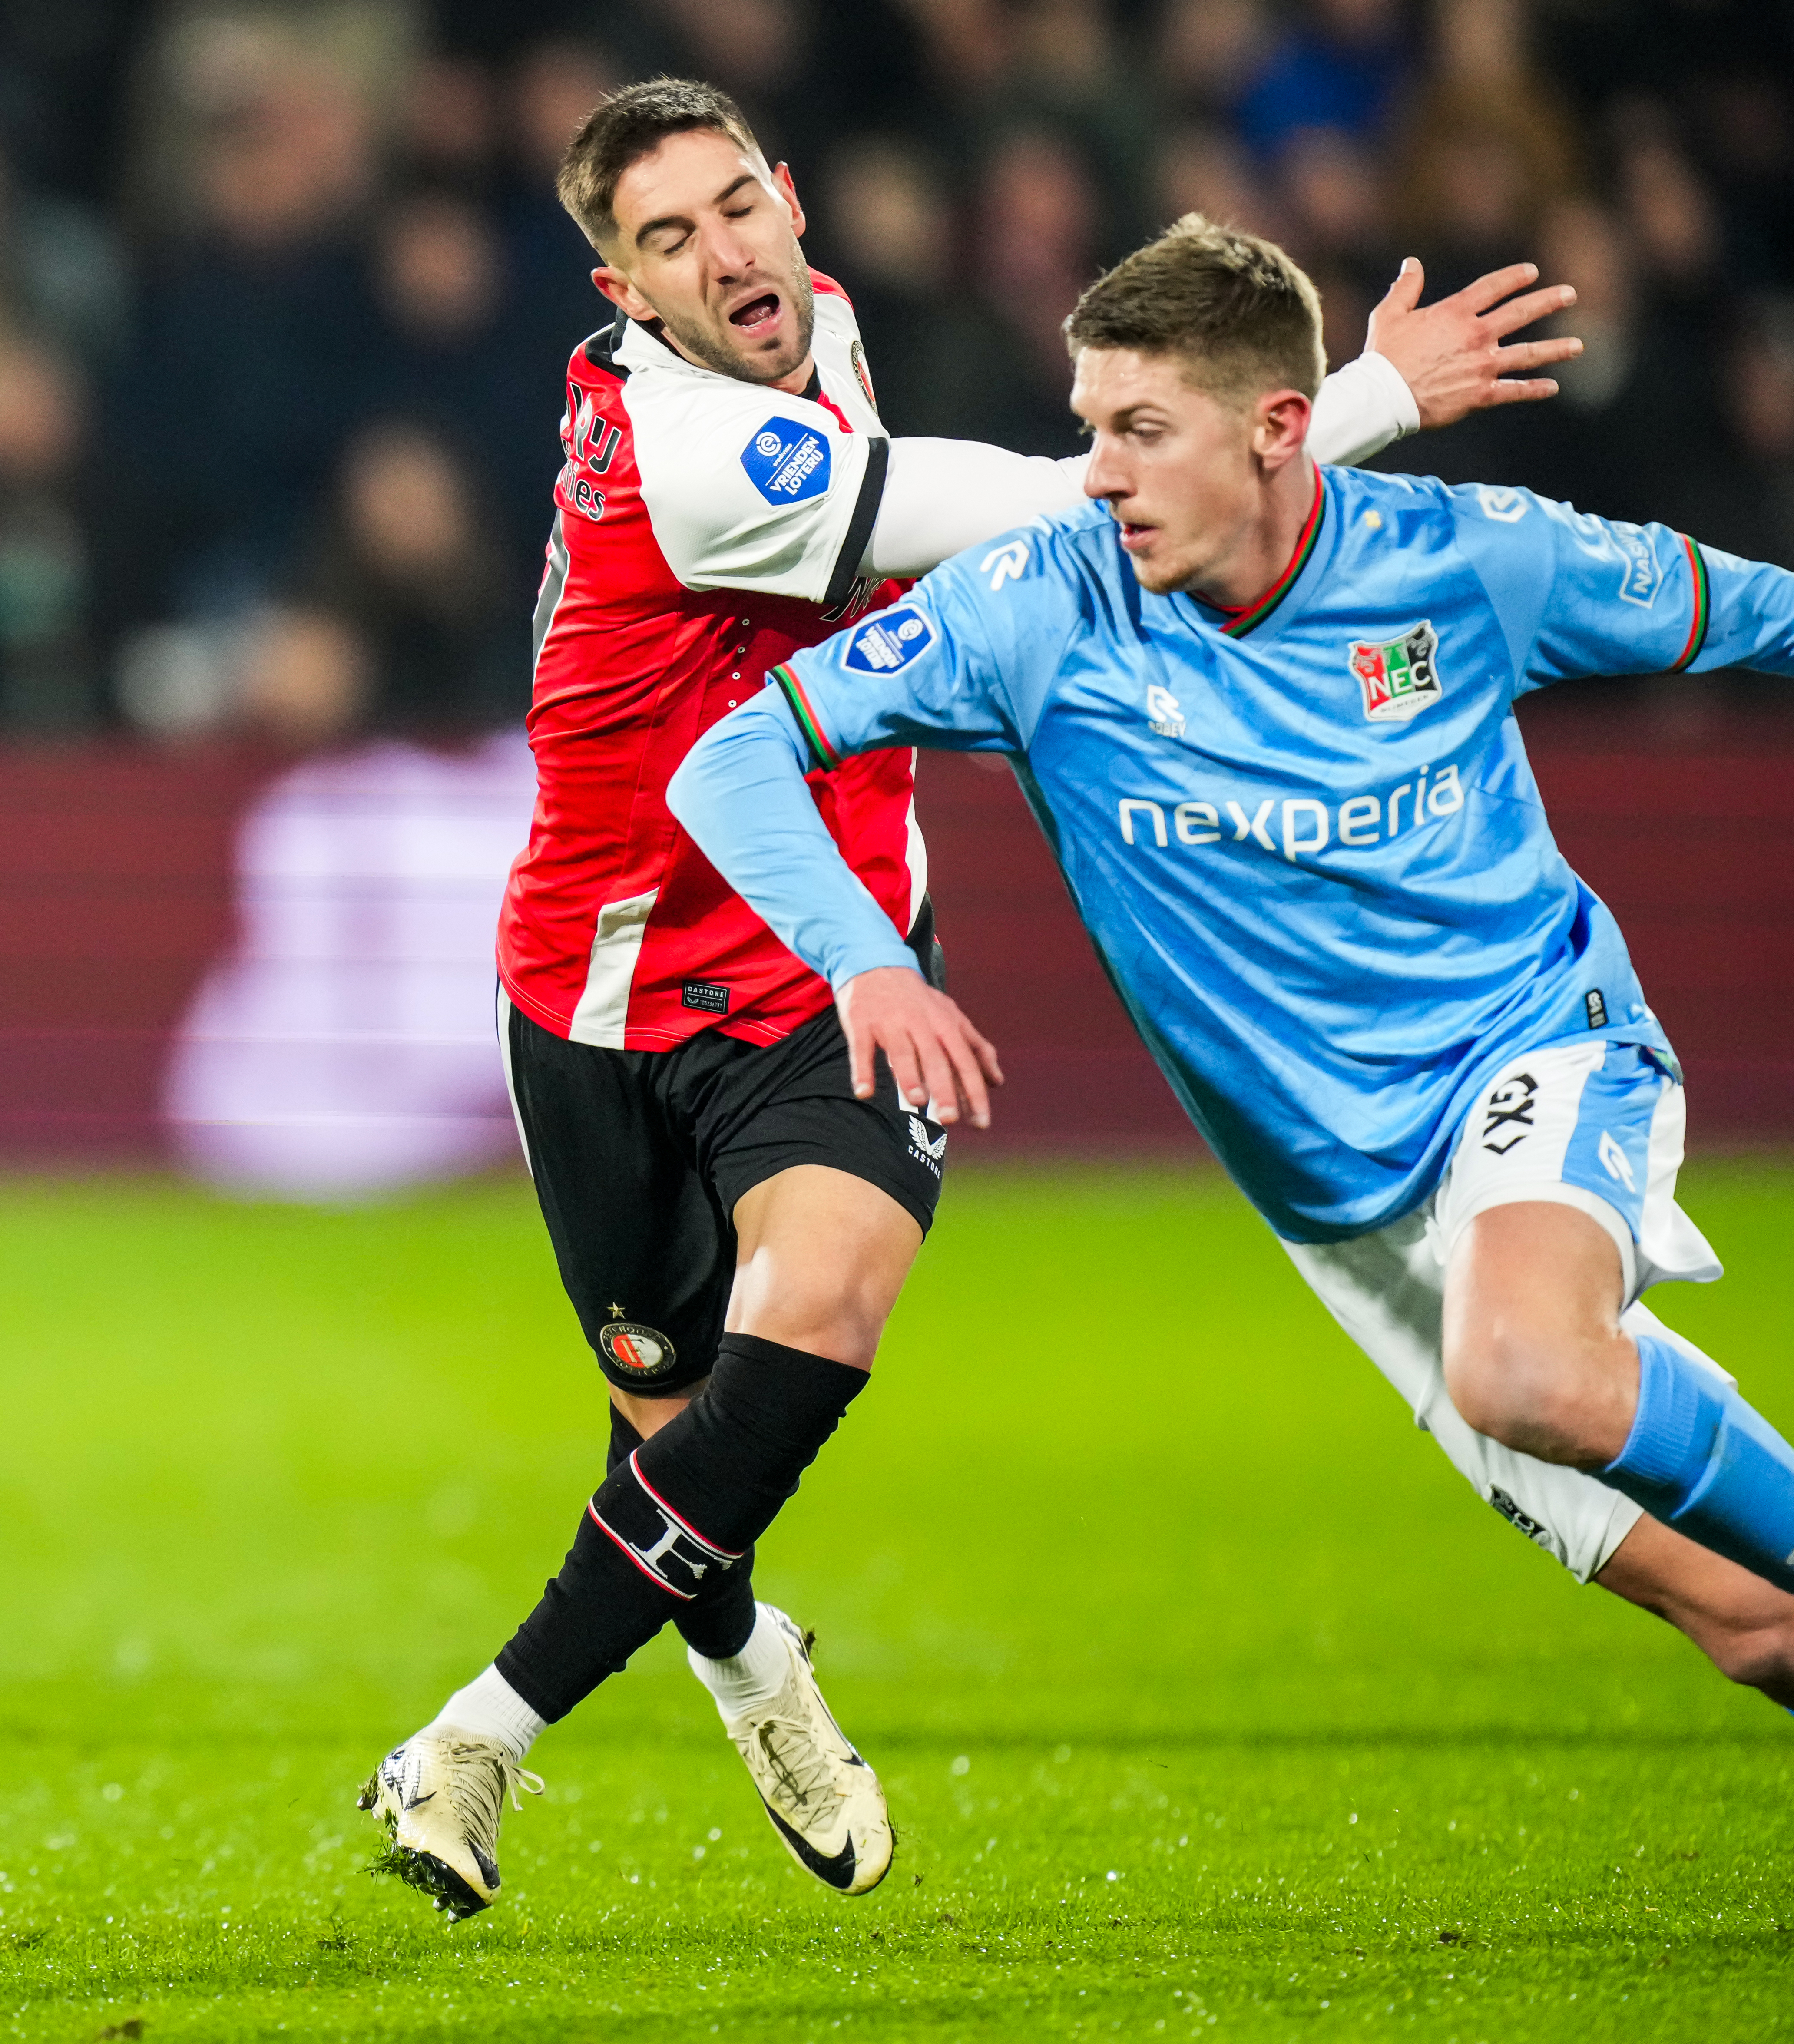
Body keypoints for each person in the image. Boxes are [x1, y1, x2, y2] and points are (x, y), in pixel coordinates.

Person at [355, 77, 1582, 1918]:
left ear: (787, 195)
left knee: (817, 1317)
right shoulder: (692, 454)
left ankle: (474, 1736)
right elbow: (1053, 519)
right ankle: (751, 1667)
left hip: (832, 958)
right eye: (666, 240)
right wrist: (1366, 398)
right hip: (601, 991)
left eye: (736, 206)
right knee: (678, 1440)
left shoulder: (821, 325)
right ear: (620, 291)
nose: (724, 253)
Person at [668, 216, 1794, 1736]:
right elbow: (732, 757)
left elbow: (1760, 613)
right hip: (1346, 1220)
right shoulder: (1039, 606)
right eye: (1088, 428)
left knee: (1526, 1363)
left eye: (1140, 431)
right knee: (1750, 1625)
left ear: (1275, 428)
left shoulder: (1469, 558)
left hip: (1532, 1050)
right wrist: (863, 959)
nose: (1098, 475)